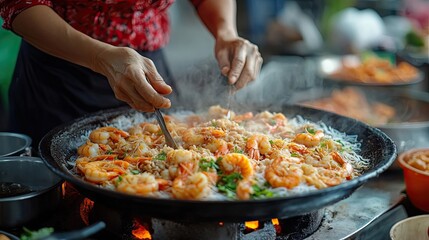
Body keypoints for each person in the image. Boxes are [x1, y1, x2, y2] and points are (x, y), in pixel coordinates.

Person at [0, 0, 263, 150]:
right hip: (59, 68)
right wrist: (100, 57)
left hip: (149, 64)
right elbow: (21, 4)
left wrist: (226, 32)